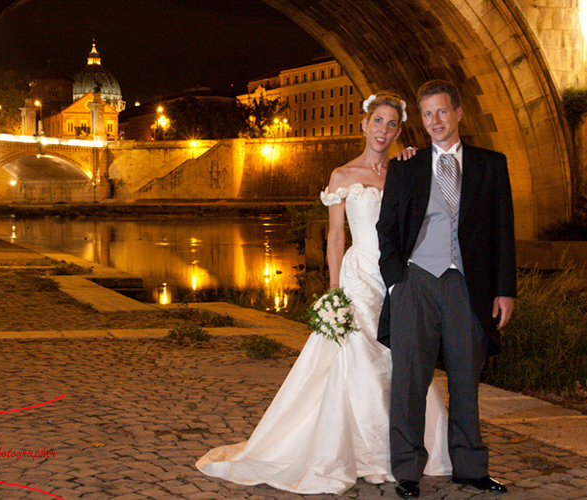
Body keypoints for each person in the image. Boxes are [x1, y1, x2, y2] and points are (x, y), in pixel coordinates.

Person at [195, 92, 452, 494]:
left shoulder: (406, 171)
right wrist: (334, 291)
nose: (383, 130)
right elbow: (335, 237)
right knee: (360, 361)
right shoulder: (342, 176)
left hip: (399, 279)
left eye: (391, 124)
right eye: (377, 122)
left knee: (402, 359)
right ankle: (367, 453)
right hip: (358, 278)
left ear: (399, 131)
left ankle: (406, 448)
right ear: (363, 125)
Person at [376, 80, 516, 499]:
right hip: (415, 281)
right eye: (427, 114)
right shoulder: (407, 165)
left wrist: (504, 290)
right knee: (409, 381)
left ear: (458, 113)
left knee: (465, 379)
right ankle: (407, 472)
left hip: (465, 286)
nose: (435, 121)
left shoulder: (491, 164)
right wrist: (396, 280)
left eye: (441, 112)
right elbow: (386, 229)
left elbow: (503, 232)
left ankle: (470, 468)